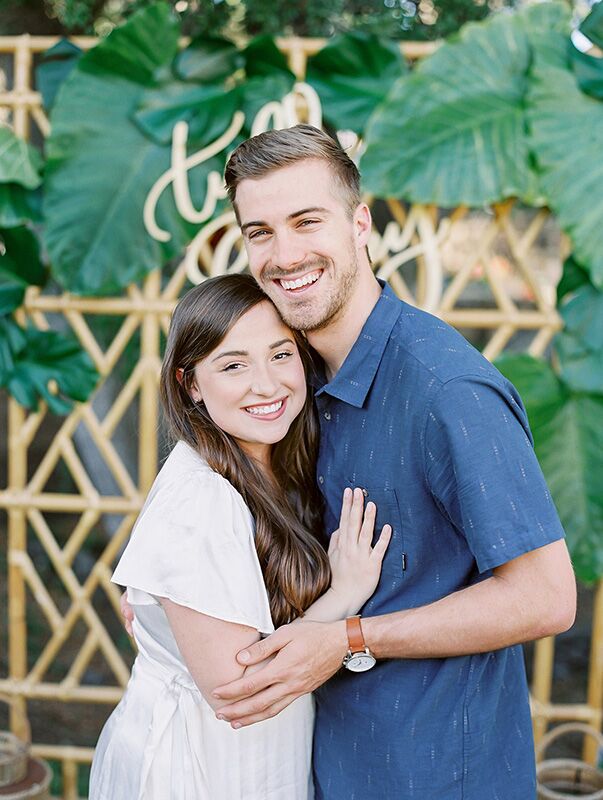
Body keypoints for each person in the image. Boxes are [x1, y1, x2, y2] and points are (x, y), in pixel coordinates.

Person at [201, 125, 576, 800]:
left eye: (305, 221)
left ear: (360, 224)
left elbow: (546, 598)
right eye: (259, 232)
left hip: (437, 774)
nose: (284, 255)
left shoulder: (445, 391)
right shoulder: (289, 376)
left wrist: (347, 636)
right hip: (329, 762)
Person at [91, 274, 391, 800]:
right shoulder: (203, 498)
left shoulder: (274, 465)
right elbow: (237, 691)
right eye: (233, 365)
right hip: (201, 768)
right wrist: (345, 595)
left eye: (280, 354)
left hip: (256, 757)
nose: (267, 384)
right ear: (191, 385)